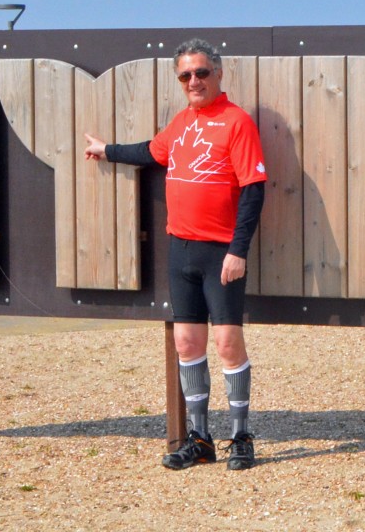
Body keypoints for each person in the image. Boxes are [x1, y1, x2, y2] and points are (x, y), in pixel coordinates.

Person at [83, 39, 267, 471]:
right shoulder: (182, 122)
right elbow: (150, 151)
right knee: (187, 343)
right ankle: (200, 439)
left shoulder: (237, 122)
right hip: (180, 249)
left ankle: (240, 436)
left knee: (227, 343)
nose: (194, 81)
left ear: (218, 74)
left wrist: (238, 251)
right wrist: (107, 150)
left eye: (201, 72)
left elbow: (254, 191)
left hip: (221, 251)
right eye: (185, 75)